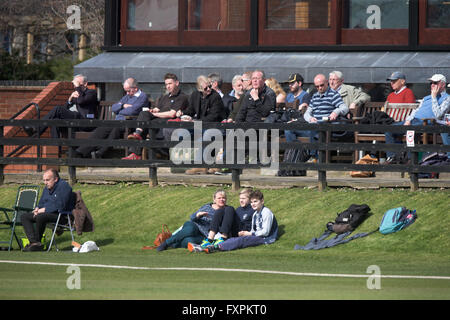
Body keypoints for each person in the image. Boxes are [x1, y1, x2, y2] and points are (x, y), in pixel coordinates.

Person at [75, 78, 149, 158]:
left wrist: (120, 110)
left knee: (115, 130)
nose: (127, 93)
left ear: (135, 88)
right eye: (125, 91)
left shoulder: (142, 97)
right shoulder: (127, 96)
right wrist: (122, 105)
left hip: (130, 123)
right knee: (101, 129)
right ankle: (81, 152)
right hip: (118, 122)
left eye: (128, 90)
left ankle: (100, 153)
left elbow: (132, 111)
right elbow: (114, 107)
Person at [385, 74, 449, 163]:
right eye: (431, 83)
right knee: (389, 129)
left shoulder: (447, 98)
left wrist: (434, 97)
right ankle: (392, 158)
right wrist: (408, 119)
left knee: (411, 130)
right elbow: (416, 110)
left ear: (443, 84)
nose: (432, 85)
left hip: (428, 123)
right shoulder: (426, 97)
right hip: (414, 120)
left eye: (435, 83)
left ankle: (411, 160)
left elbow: (438, 115)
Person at [123, 73, 189, 160]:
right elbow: (157, 109)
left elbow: (171, 114)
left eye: (170, 84)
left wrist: (153, 114)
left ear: (177, 83)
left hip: (169, 122)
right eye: (166, 84)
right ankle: (137, 136)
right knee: (144, 114)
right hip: (158, 119)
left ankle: (136, 151)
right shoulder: (164, 97)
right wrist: (153, 111)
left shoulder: (182, 97)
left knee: (148, 122)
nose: (168, 86)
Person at [190, 190, 278, 253]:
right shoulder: (245, 211)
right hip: (241, 232)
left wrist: (249, 233)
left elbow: (264, 231)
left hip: (256, 236)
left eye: (244, 198)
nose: (241, 200)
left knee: (229, 209)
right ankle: (209, 239)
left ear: (261, 201)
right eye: (240, 198)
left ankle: (218, 243)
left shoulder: (260, 211)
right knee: (222, 210)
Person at [23, 74, 99, 138]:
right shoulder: (76, 94)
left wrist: (77, 88)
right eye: (75, 84)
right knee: (55, 120)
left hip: (86, 121)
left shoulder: (91, 93)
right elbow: (64, 109)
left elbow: (81, 101)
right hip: (76, 120)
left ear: (85, 84)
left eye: (78, 83)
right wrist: (70, 99)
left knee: (58, 109)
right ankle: (54, 146)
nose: (76, 86)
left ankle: (37, 128)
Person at [156, 190, 232, 251]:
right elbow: (192, 217)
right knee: (190, 230)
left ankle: (174, 244)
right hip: (195, 225)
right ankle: (166, 243)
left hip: (205, 234)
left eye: (224, 198)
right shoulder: (207, 207)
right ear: (214, 199)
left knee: (190, 240)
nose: (222, 200)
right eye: (219, 198)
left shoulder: (227, 211)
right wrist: (198, 215)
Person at [20, 169, 75, 252]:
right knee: (24, 217)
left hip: (62, 217)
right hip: (47, 215)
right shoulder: (47, 188)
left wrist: (43, 210)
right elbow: (41, 202)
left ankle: (37, 242)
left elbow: (60, 205)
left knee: (40, 216)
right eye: (44, 180)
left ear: (55, 179)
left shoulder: (64, 186)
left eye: (48, 180)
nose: (45, 182)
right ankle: (34, 242)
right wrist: (37, 208)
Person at [181, 75, 226, 175]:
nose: (209, 89)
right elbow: (191, 110)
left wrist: (197, 122)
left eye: (210, 86)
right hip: (200, 125)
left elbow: (213, 117)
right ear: (199, 89)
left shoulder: (215, 96)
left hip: (215, 126)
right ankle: (180, 163)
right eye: (206, 88)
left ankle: (200, 165)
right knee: (181, 133)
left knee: (204, 136)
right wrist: (184, 115)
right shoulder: (195, 95)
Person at [302, 73, 350, 160]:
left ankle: (313, 156)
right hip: (314, 126)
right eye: (317, 86)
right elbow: (307, 113)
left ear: (326, 83)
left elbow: (344, 107)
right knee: (289, 131)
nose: (320, 88)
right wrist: (310, 118)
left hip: (325, 127)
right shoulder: (315, 96)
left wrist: (336, 111)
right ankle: (293, 158)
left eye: (322, 85)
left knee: (314, 129)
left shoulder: (333, 94)